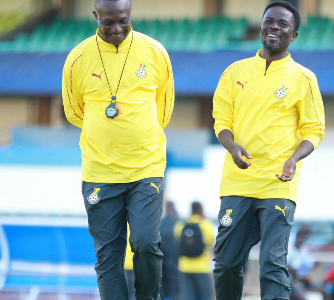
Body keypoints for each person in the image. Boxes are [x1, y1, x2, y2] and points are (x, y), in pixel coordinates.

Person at [211, 1, 326, 299]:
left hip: (278, 184)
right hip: (237, 183)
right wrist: (232, 147)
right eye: (269, 21)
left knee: (272, 264)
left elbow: (314, 130)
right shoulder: (234, 72)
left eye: (283, 24)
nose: (274, 26)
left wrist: (293, 159)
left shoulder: (304, 79)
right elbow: (221, 121)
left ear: (294, 35)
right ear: (260, 27)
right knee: (225, 263)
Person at [61, 0, 175, 298]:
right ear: (95, 16)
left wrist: (135, 134)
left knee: (146, 243)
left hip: (145, 167)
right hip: (100, 171)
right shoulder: (77, 58)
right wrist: (107, 133)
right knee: (108, 255)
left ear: (131, 15)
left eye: (123, 21)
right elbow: (74, 112)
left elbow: (164, 110)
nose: (116, 29)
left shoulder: (154, 52)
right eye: (108, 22)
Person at [174, 201, 215, 300]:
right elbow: (211, 241)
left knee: (187, 296)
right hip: (202, 267)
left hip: (184, 266)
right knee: (206, 296)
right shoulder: (206, 225)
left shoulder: (180, 225)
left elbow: (177, 238)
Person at [287, 225, 317, 300]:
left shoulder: (302, 250)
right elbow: (286, 267)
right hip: (291, 280)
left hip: (299, 279)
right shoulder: (290, 250)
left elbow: (308, 263)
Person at [161, 201, 180, 300]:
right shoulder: (177, 222)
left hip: (162, 256)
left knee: (163, 281)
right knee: (174, 281)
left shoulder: (161, 222)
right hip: (174, 256)